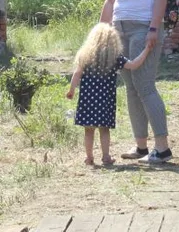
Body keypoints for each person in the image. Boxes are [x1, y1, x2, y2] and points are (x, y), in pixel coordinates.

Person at [98, 0, 174, 164]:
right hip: (119, 28)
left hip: (144, 26)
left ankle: (162, 148)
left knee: (145, 86)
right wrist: (101, 31)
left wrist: (154, 28)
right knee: (130, 88)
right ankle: (141, 146)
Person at [66, 23, 153, 166]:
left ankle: (89, 158)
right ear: (114, 41)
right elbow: (133, 65)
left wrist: (71, 90)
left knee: (88, 130)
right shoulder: (114, 58)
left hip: (87, 100)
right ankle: (106, 157)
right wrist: (146, 50)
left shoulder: (85, 56)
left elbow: (77, 74)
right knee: (104, 129)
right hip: (105, 101)